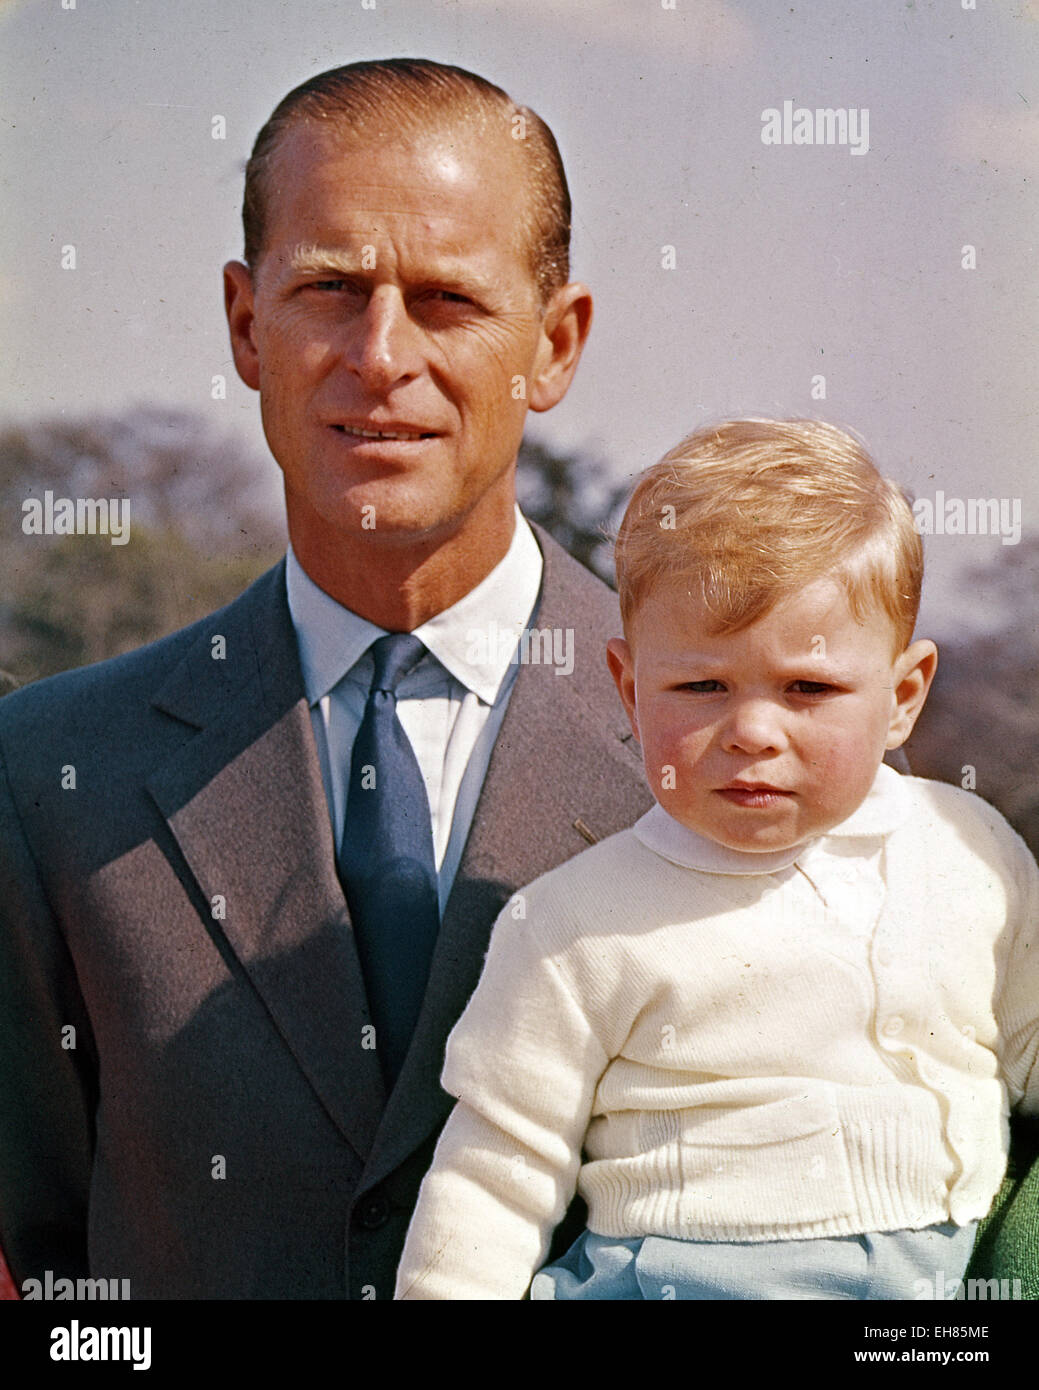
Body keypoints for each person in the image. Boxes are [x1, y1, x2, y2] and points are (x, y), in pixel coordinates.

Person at [0, 59, 654, 1300]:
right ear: (248, 327)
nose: (381, 354)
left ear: (555, 342)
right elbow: (51, 1262)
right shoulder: (46, 777)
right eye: (332, 289)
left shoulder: (739, 753)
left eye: (450, 300)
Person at [394, 418, 1039, 1300]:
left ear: (901, 696)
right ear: (628, 688)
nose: (751, 734)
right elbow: (495, 1172)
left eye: (808, 689)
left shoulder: (970, 853)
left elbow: (1026, 1047)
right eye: (701, 687)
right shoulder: (569, 924)